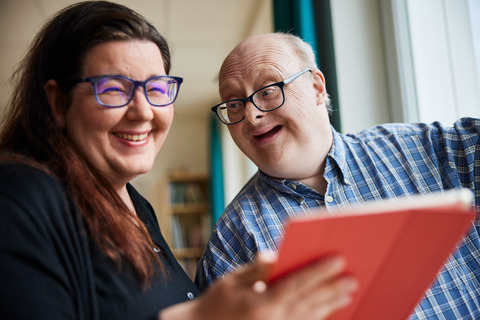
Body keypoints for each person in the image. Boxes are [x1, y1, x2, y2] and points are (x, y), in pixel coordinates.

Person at [0, 3, 359, 320]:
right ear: (58, 103)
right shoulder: (19, 198)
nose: (143, 112)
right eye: (113, 89)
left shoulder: (136, 208)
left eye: (156, 89)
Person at [196, 32, 480, 319]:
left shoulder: (429, 148)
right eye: (234, 103)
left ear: (317, 87)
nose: (251, 115)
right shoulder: (230, 243)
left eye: (268, 90)